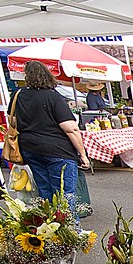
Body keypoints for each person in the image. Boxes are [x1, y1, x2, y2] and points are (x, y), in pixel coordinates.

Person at [14, 61, 90, 212]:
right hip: (58, 149)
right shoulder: (53, 97)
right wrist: (83, 154)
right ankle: (68, 224)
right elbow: (71, 129)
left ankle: (49, 222)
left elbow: (14, 122)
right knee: (64, 194)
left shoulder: (18, 96)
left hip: (30, 148)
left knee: (45, 191)